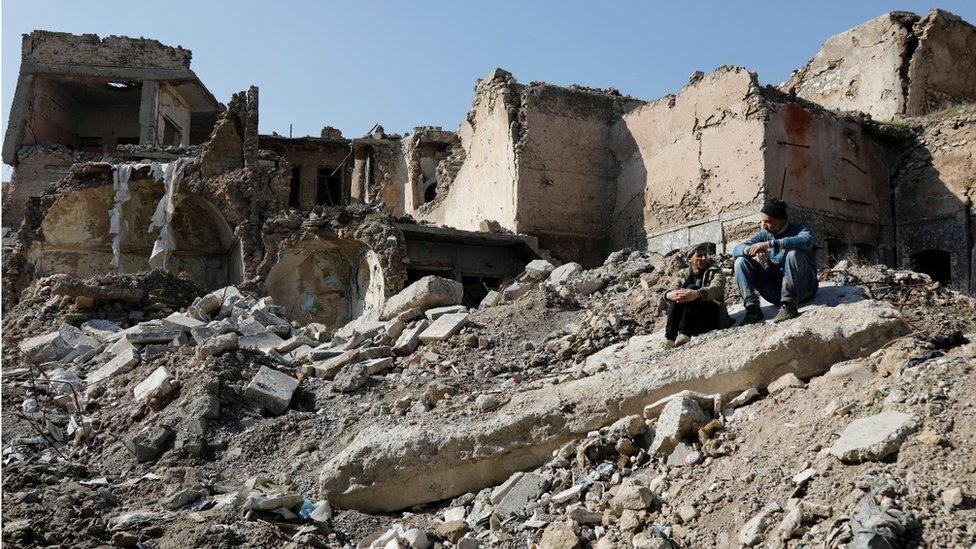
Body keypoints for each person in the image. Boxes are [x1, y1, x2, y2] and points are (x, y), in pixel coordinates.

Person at [732, 199, 818, 324]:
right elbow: (736, 250)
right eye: (762, 221)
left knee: (792, 252)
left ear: (782, 220)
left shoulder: (799, 228)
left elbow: (806, 240)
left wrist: (771, 244)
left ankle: (789, 307)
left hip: (803, 290)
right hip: (775, 292)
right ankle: (753, 309)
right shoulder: (765, 234)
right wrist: (751, 250)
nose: (763, 225)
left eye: (768, 221)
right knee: (740, 261)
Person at [662, 242, 731, 349]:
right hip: (693, 321)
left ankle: (685, 333)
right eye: (699, 255)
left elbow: (716, 289)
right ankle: (670, 338)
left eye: (705, 255)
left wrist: (697, 294)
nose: (704, 258)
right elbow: (673, 288)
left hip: (712, 317)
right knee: (677, 295)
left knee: (691, 288)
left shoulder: (715, 271)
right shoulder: (683, 274)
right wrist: (669, 295)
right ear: (690, 259)